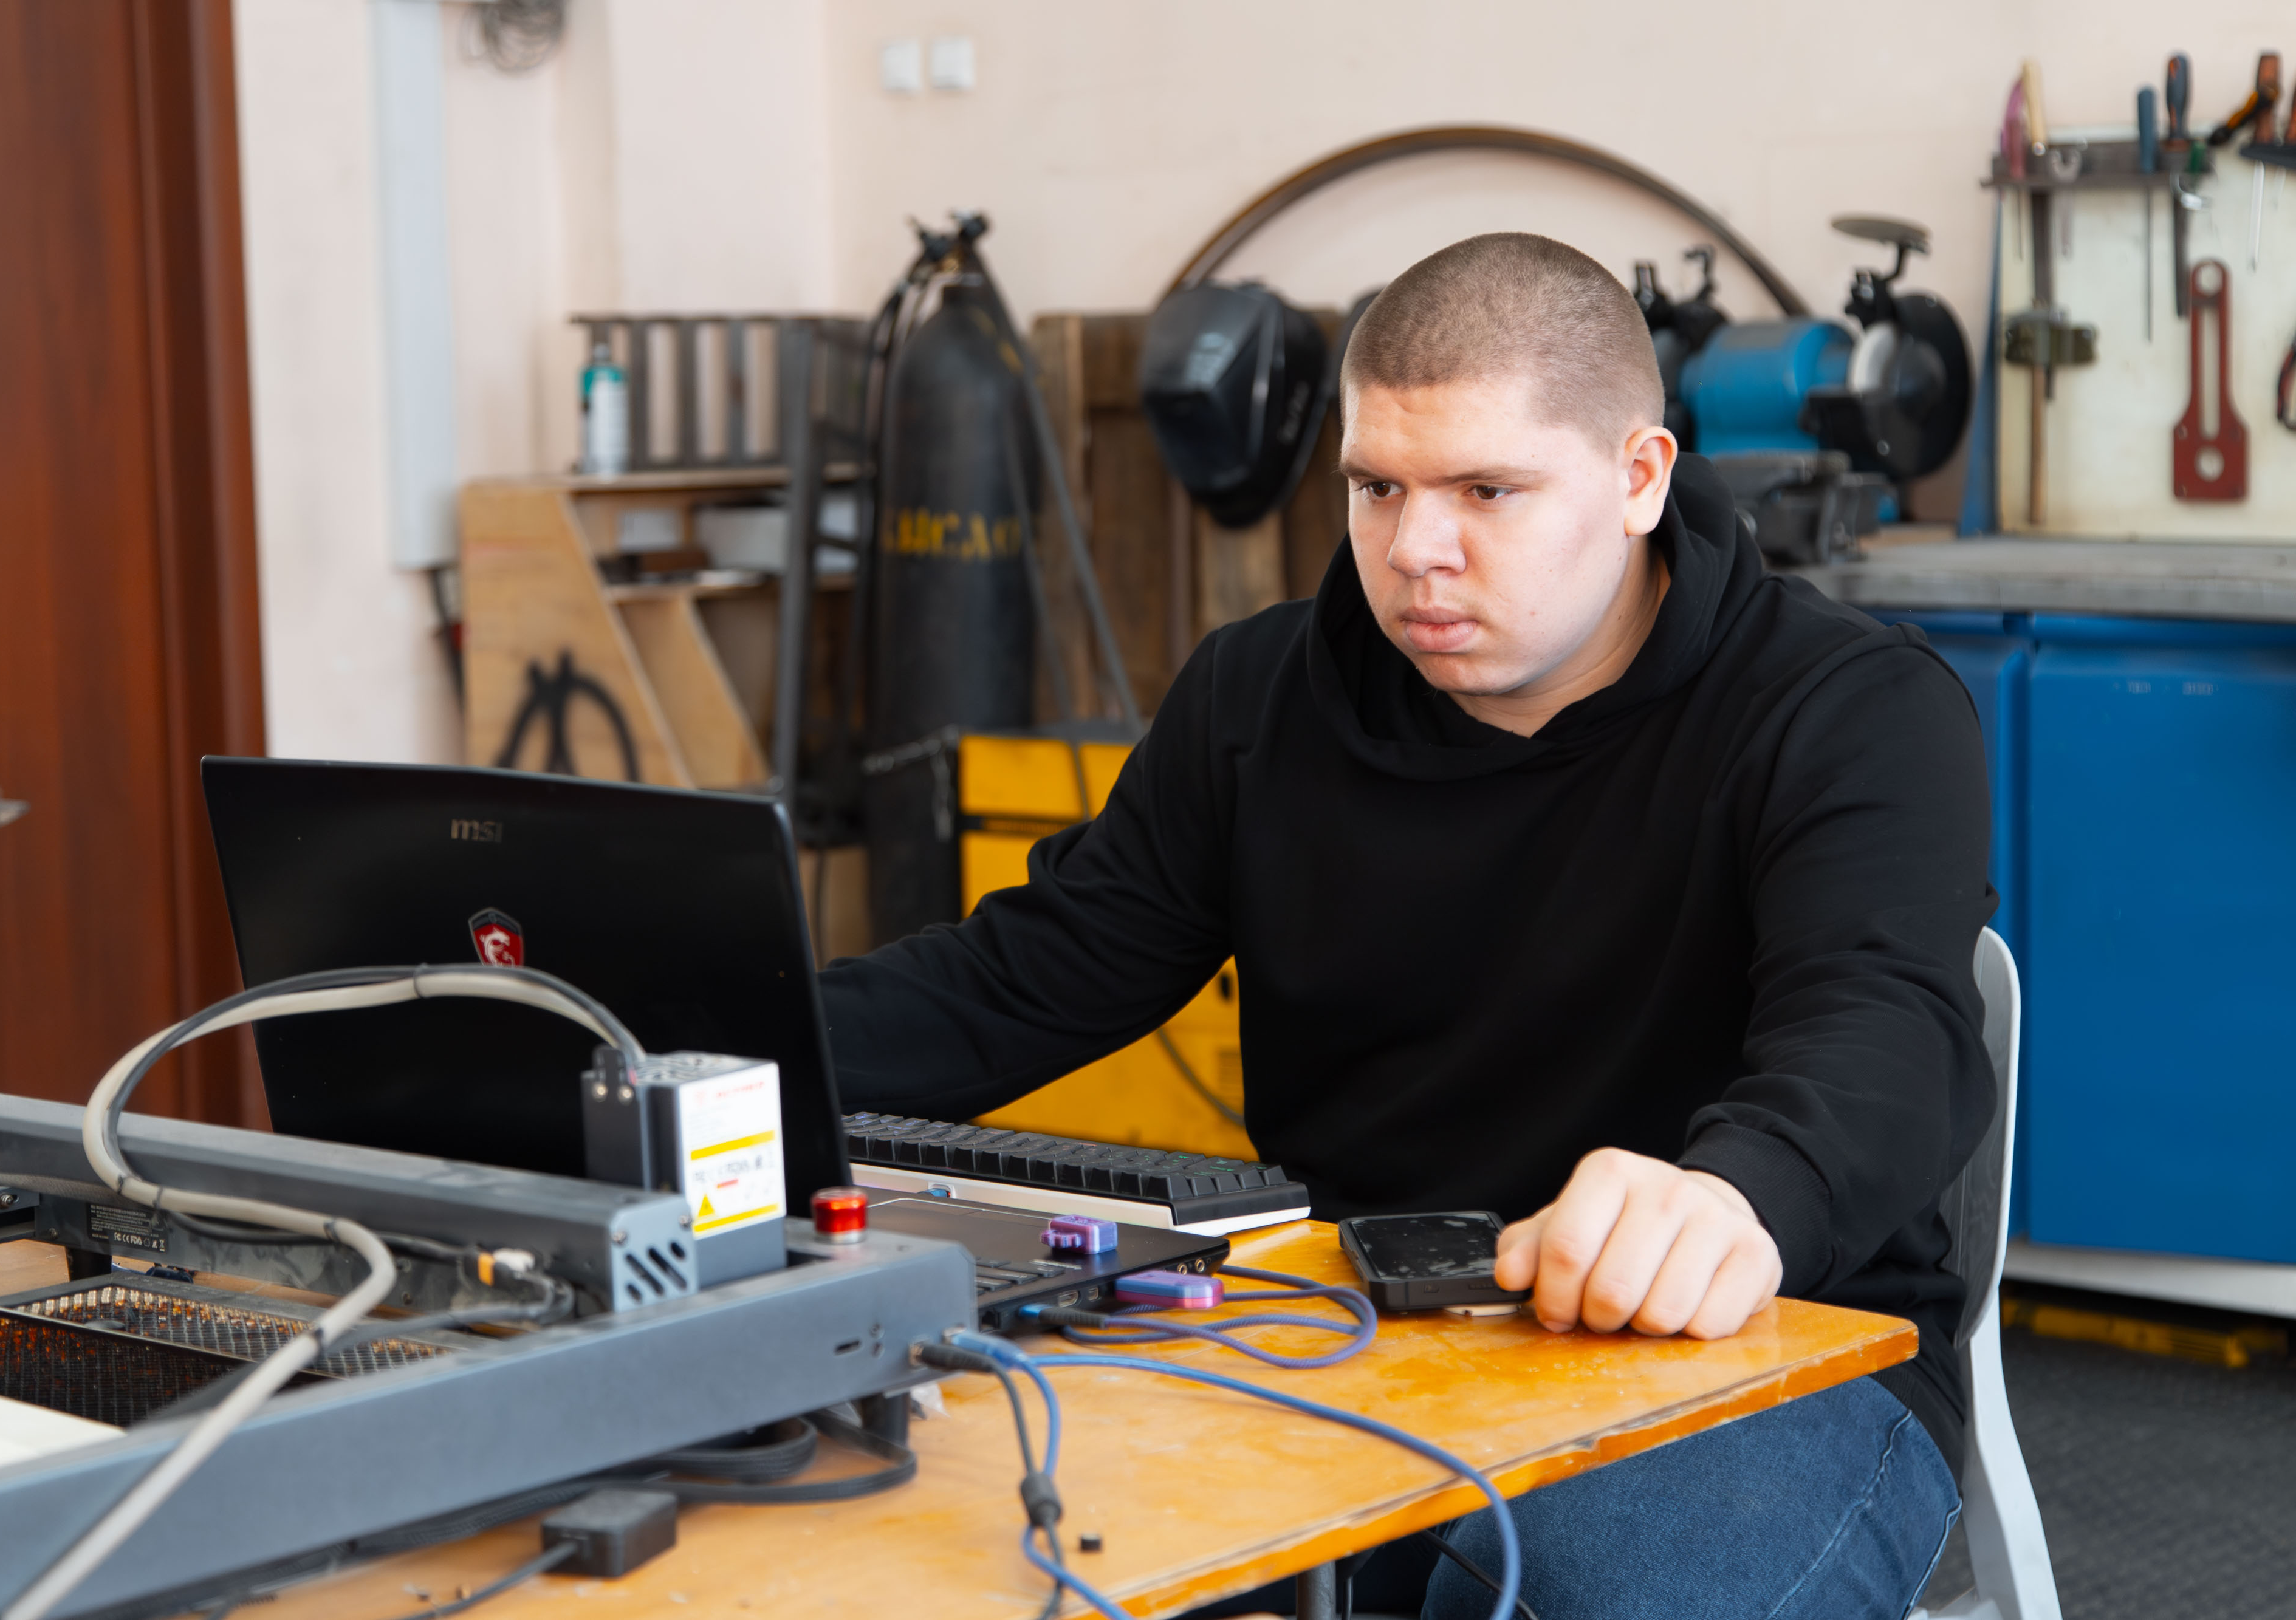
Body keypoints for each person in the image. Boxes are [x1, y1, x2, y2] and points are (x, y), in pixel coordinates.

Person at [820, 233, 1993, 1620]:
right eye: (1376, 487)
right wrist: (690, 1046)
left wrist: (1740, 1193)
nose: (1413, 551)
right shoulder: (1258, 698)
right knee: (983, 1543)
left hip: (1764, 1349)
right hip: (1356, 1327)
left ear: (1638, 478)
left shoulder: (1846, 708)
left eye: (1486, 490)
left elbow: (1880, 1025)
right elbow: (1022, 977)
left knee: (1557, 1593)